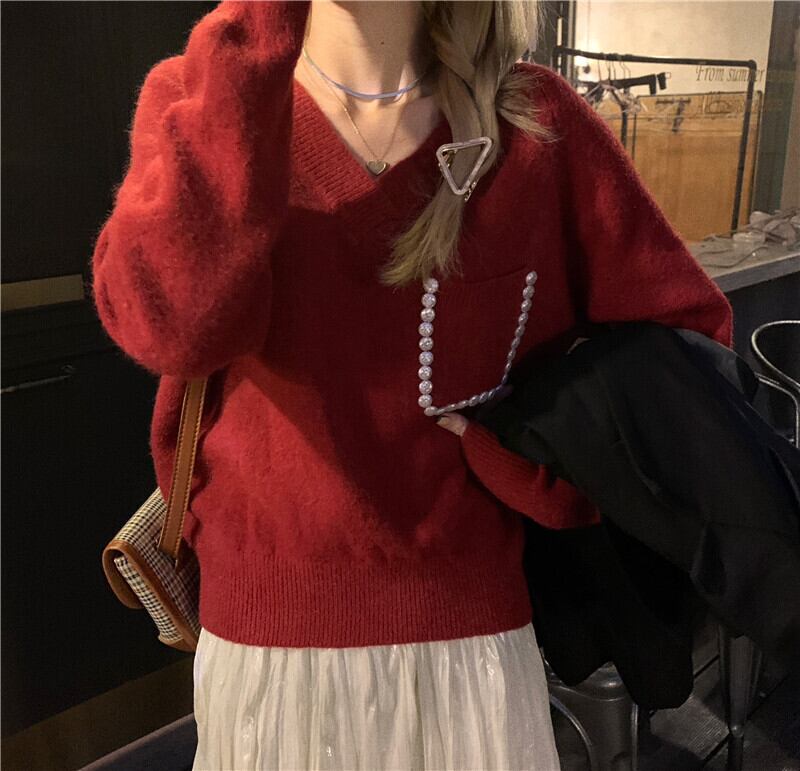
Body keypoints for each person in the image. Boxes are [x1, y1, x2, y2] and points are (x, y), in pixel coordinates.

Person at [90, 1, 734, 768]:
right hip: (267, 665)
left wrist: (541, 468)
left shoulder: (534, 127)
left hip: (473, 659)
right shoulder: (203, 100)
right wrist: (255, 31)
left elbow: (683, 360)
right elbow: (172, 325)